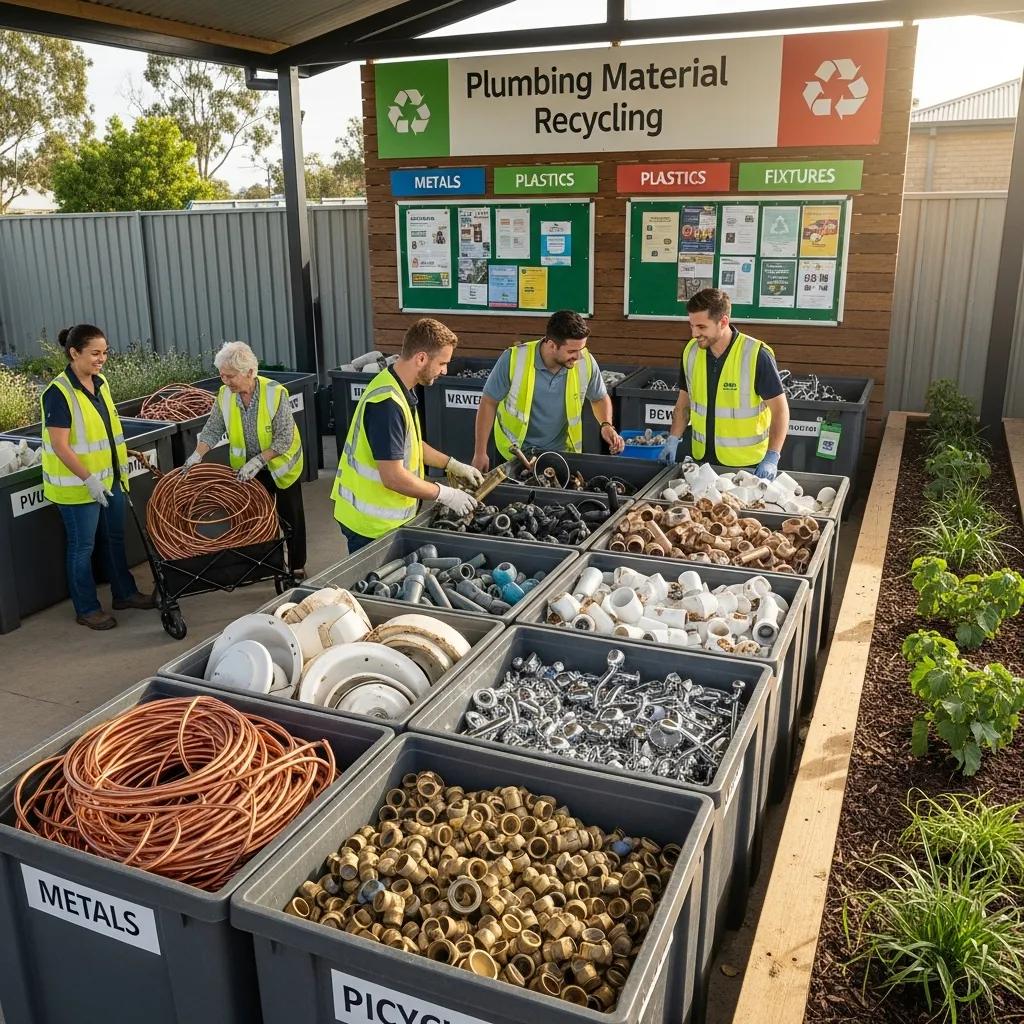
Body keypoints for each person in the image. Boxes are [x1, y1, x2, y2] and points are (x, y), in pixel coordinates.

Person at [40, 324, 155, 630]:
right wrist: (89, 479)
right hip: (79, 489)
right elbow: (60, 446)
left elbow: (103, 430)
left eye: (104, 352)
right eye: (94, 353)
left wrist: (124, 456)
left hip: (111, 480)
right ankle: (87, 608)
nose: (101, 359)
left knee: (114, 538)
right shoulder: (58, 393)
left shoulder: (100, 383)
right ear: (74, 353)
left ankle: (125, 593)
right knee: (82, 548)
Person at [333, 318, 482, 552]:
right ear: (421, 358)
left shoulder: (397, 385)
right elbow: (393, 477)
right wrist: (445, 494)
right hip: (371, 526)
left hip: (382, 520)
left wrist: (452, 464)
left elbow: (409, 443)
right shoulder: (387, 404)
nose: (444, 370)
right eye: (442, 363)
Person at [183, 341, 307, 577]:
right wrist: (198, 454)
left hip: (281, 466)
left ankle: (297, 566)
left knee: (291, 518)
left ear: (249, 372)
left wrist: (259, 460)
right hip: (247, 470)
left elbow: (283, 439)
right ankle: (268, 565)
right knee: (258, 519)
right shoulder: (225, 395)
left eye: (230, 376)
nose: (225, 381)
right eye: (222, 376)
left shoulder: (275, 393)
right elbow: (213, 428)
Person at [472, 310, 625, 472]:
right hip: (513, 455)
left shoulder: (585, 362)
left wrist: (606, 424)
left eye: (581, 349)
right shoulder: (513, 359)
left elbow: (599, 398)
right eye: (572, 351)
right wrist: (480, 452)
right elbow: (488, 402)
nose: (579, 356)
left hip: (561, 455)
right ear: (552, 345)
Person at [659, 289, 789, 479]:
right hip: (702, 463)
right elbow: (683, 403)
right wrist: (673, 438)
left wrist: (772, 456)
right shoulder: (691, 352)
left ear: (723, 322)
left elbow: (780, 411)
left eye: (702, 327)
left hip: (747, 466)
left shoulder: (755, 355)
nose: (695, 333)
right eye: (692, 325)